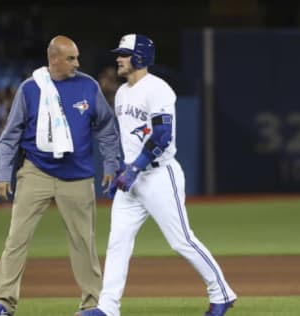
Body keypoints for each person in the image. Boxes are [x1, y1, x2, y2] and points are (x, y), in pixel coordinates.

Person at [76, 34, 237, 316]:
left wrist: (135, 168)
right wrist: (121, 170)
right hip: (132, 178)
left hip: (159, 175)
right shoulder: (123, 92)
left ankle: (221, 292)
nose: (118, 58)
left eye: (124, 54)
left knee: (181, 240)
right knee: (118, 242)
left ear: (139, 57)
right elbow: (127, 138)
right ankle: (108, 308)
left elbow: (162, 136)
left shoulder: (158, 89)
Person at [0, 35, 121, 316]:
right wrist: (2, 173)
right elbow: (11, 136)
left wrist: (112, 164)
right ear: (53, 59)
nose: (77, 63)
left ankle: (92, 304)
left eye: (77, 57)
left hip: (78, 175)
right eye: (71, 58)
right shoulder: (31, 89)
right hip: (36, 172)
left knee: (84, 241)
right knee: (16, 238)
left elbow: (106, 128)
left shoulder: (88, 85)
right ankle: (4, 303)